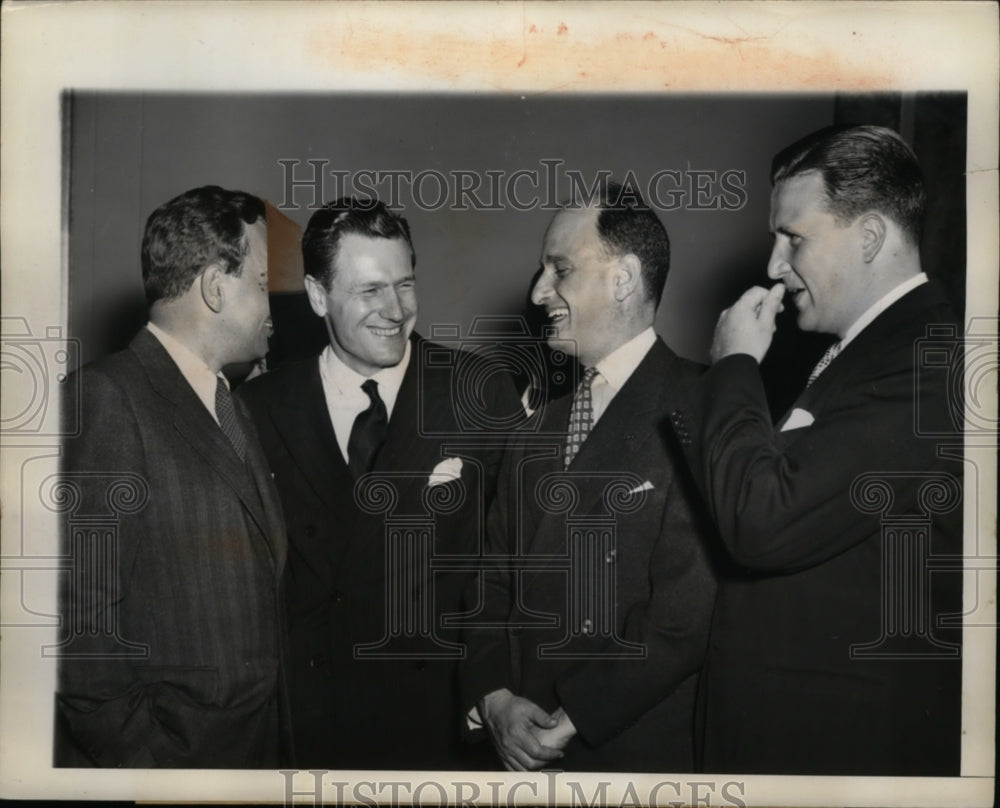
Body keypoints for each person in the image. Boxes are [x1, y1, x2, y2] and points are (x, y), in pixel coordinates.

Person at [668, 125, 963, 775]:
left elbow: (762, 521)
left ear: (870, 237)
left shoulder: (926, 358)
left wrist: (735, 365)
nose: (773, 265)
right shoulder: (860, 353)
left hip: (838, 749)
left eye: (793, 238)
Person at [239, 197, 520, 770]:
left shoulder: (479, 392)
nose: (396, 309)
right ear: (318, 296)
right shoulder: (258, 407)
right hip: (310, 733)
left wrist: (492, 694)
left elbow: (515, 558)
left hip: (438, 732)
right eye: (370, 291)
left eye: (405, 285)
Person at [461, 182, 717, 772]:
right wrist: (495, 698)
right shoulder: (534, 429)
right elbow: (490, 582)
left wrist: (571, 720)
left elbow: (684, 612)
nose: (537, 292)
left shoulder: (704, 406)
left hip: (633, 754)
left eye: (560, 270)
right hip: (519, 752)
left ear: (623, 278)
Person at [55, 185, 290, 768]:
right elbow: (80, 629)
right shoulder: (106, 399)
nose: (271, 306)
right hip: (179, 763)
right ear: (215, 286)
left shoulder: (231, 404)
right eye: (262, 284)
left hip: (255, 751)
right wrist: (154, 765)